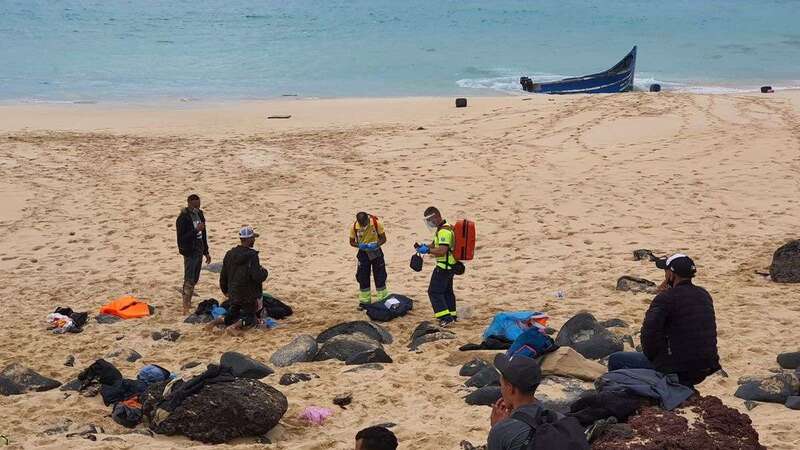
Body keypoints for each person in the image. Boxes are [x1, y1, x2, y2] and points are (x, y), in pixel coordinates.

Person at [608, 253, 721, 387]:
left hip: (679, 370)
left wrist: (659, 361)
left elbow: (648, 337)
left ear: (672, 275)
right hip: (705, 368)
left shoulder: (666, 299)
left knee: (616, 359)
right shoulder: (703, 294)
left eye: (665, 271)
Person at [206, 226, 268, 336]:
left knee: (232, 314)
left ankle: (213, 323)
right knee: (250, 317)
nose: (254, 240)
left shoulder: (229, 254)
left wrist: (225, 290)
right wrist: (264, 272)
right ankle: (234, 327)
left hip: (233, 291)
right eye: (253, 238)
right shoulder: (252, 256)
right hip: (248, 294)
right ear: (248, 239)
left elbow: (223, 274)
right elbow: (257, 276)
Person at [487, 354, 556, 450]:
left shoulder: (502, 431)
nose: (501, 390)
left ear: (511, 389)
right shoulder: (558, 418)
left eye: (501, 385)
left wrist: (496, 428)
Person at [415, 206, 458, 326]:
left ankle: (445, 318)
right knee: (447, 291)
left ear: (436, 216)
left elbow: (442, 250)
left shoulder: (444, 231)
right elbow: (435, 245)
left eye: (430, 220)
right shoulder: (444, 228)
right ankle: (452, 315)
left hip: (443, 267)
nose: (430, 223)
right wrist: (425, 247)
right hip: (450, 266)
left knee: (434, 292)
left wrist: (428, 251)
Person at [175, 194, 211, 314]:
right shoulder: (183, 218)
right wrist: (196, 230)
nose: (197, 207)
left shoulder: (200, 214)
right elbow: (181, 238)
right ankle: (186, 304)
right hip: (189, 250)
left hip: (199, 248)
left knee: (195, 277)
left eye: (198, 205)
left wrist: (206, 251)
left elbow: (204, 234)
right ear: (189, 203)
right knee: (189, 278)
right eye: (195, 205)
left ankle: (188, 301)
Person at [349, 212, 389, 308]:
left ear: (368, 219)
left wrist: (376, 244)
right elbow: (351, 242)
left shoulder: (376, 223)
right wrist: (359, 245)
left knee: (380, 275)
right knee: (362, 277)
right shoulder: (354, 227)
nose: (364, 226)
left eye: (365, 223)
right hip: (363, 254)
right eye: (361, 224)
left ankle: (383, 299)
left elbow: (383, 238)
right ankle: (365, 301)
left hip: (376, 253)